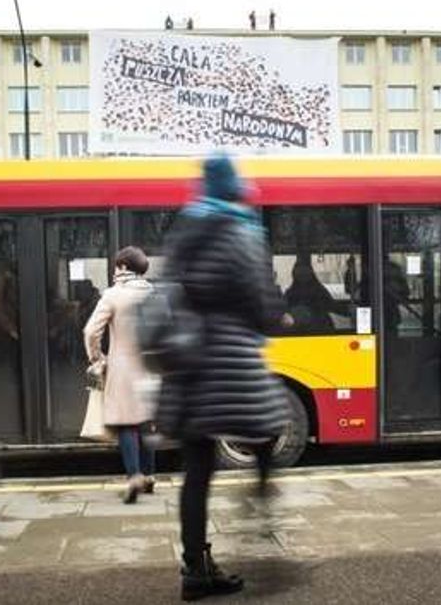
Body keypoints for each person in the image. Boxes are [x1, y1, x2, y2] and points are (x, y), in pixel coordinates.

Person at [157, 153, 289, 601]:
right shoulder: (240, 231)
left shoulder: (186, 228)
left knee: (197, 470)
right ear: (234, 188)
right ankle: (262, 486)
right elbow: (260, 299)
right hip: (228, 359)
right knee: (271, 426)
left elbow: (166, 288)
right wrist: (275, 317)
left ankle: (196, 568)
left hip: (188, 365)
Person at [82, 246, 156, 503]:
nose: (115, 269)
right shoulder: (152, 292)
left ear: (124, 267)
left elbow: (91, 331)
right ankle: (148, 476)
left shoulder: (113, 295)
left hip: (123, 367)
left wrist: (97, 357)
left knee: (126, 423)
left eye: (116, 265)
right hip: (151, 367)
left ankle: (134, 475)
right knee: (146, 421)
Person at [283, 257, 340, 333]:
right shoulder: (290, 293)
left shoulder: (319, 291)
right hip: (296, 333)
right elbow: (283, 313)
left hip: (321, 330)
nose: (302, 276)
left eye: (304, 273)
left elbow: (332, 306)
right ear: (294, 275)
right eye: (299, 273)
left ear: (310, 274)